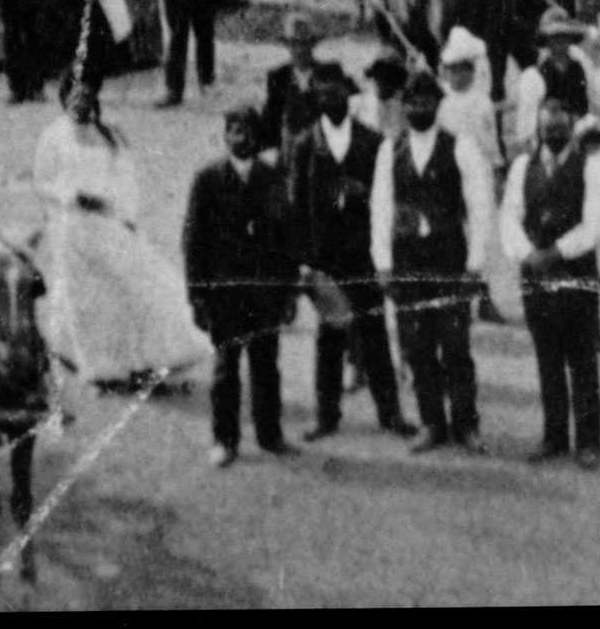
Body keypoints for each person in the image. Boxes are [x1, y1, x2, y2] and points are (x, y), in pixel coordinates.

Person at [35, 80, 212, 394]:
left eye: (87, 96)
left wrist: (124, 214)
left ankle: (141, 362)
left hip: (109, 222)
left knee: (140, 286)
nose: (82, 103)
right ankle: (103, 369)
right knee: (90, 300)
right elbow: (43, 182)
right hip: (72, 227)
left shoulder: (110, 134)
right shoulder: (54, 136)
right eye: (75, 97)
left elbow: (126, 179)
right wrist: (72, 195)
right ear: (64, 100)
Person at [370, 66, 492, 452]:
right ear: (403, 106)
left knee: (455, 346)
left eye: (427, 101)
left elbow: (480, 207)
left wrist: (475, 266)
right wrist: (384, 264)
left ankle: (466, 423)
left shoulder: (461, 147)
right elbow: (381, 209)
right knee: (417, 346)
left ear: (438, 105)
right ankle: (431, 422)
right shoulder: (391, 149)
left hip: (448, 259)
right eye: (412, 102)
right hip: (407, 260)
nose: (419, 108)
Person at [286, 61, 410, 439]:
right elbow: (296, 206)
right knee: (329, 337)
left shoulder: (372, 141)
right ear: (316, 98)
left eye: (336, 91)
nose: (330, 99)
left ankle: (390, 415)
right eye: (322, 93)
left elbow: (387, 199)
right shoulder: (305, 144)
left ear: (348, 92)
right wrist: (303, 262)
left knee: (374, 332)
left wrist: (365, 194)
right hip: (325, 257)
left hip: (363, 252)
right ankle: (326, 416)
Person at [183, 102, 301, 466]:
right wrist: (197, 296)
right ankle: (225, 440)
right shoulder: (208, 179)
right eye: (234, 130)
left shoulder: (272, 178)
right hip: (225, 295)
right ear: (225, 135)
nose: (241, 138)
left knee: (266, 366)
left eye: (248, 131)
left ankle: (270, 434)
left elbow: (286, 241)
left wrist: (289, 291)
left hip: (265, 294)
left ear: (257, 136)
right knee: (225, 370)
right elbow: (193, 240)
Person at [499, 90, 600, 467]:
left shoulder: (590, 167)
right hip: (535, 275)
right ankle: (554, 436)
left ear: (572, 127)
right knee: (547, 358)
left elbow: (595, 224)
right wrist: (528, 253)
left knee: (581, 358)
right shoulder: (521, 168)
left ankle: (589, 441)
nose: (554, 133)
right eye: (547, 127)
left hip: (574, 272)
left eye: (561, 126)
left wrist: (557, 251)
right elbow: (509, 218)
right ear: (539, 128)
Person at [510, 10, 592, 138]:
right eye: (554, 37)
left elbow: (588, 104)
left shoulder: (580, 68)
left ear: (570, 38)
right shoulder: (534, 76)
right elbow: (527, 122)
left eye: (564, 36)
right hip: (549, 136)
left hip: (580, 132)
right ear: (546, 40)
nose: (560, 41)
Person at [261, 15, 330, 155]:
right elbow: (271, 118)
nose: (300, 50)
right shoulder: (278, 76)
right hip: (288, 149)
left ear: (312, 44)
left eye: (304, 43)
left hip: (320, 150)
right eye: (294, 44)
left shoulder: (327, 74)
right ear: (288, 46)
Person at [435, 27, 501, 169]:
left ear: (471, 71)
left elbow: (488, 141)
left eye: (462, 69)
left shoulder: (482, 102)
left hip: (478, 163)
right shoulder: (443, 103)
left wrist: (494, 163)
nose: (457, 75)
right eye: (452, 70)